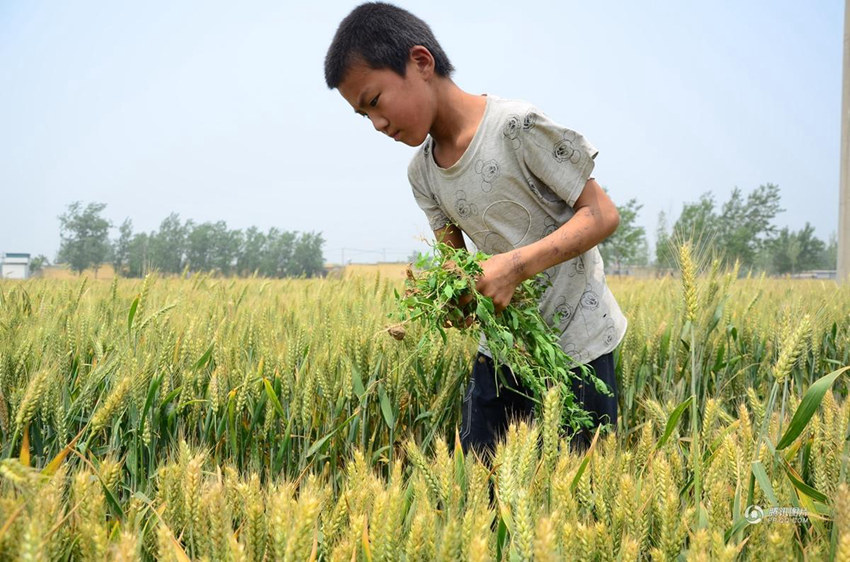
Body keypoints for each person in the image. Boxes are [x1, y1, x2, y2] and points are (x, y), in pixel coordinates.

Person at [324, 2, 627, 457]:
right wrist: (454, 298)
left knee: (576, 498)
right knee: (482, 499)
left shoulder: (515, 127)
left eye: (375, 101)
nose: (377, 124)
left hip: (577, 349)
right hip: (501, 354)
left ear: (421, 63)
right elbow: (457, 263)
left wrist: (513, 267)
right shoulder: (422, 174)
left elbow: (602, 214)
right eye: (363, 116)